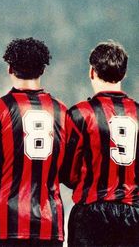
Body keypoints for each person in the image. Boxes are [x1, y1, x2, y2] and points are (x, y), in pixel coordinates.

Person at [0, 37, 67, 247]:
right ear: (43, 70)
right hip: (50, 224)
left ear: (10, 69)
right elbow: (66, 172)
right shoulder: (62, 112)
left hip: (3, 222)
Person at [63, 40, 139, 246]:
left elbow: (69, 175)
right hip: (132, 213)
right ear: (123, 74)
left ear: (91, 72)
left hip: (91, 212)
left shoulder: (80, 113)